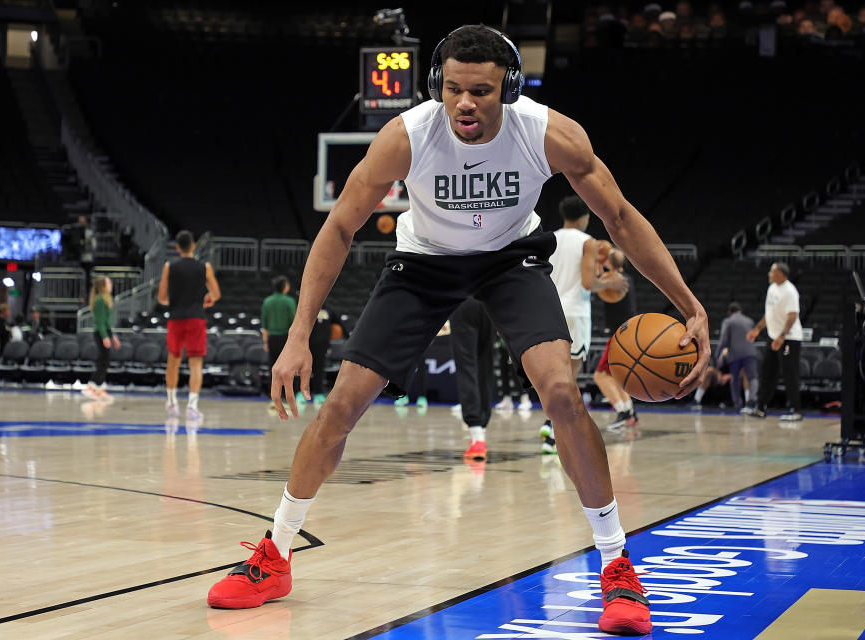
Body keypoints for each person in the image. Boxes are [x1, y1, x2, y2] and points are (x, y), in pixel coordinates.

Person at [207, 25, 709, 637]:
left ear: (510, 91)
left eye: (481, 90)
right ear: (435, 87)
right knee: (341, 404)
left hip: (510, 257)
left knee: (561, 393)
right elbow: (339, 226)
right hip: (422, 263)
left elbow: (622, 219)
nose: (465, 103)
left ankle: (617, 567)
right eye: (452, 89)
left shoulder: (549, 134)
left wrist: (689, 304)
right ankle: (276, 554)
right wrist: (297, 337)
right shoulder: (407, 136)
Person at [539, 193, 628, 453]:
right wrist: (610, 282)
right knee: (570, 376)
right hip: (576, 312)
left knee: (556, 374)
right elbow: (589, 283)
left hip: (551, 310)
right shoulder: (588, 242)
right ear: (584, 218)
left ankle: (552, 425)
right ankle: (554, 427)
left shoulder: (550, 238)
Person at [157, 230, 221, 420]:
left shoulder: (169, 266)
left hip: (176, 318)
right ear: (193, 246)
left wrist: (176, 301)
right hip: (196, 318)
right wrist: (207, 299)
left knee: (173, 362)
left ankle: (171, 402)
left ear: (177, 248)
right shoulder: (205, 267)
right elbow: (216, 294)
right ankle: (192, 406)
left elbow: (161, 298)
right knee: (195, 365)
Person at [747, 262, 803, 422]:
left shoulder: (790, 291)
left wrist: (782, 337)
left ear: (780, 273)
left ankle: (796, 410)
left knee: (789, 374)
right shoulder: (772, 288)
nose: (769, 274)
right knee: (767, 372)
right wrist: (757, 329)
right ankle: (761, 408)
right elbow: (769, 313)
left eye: (772, 271)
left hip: (789, 338)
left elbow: (793, 316)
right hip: (773, 337)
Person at [592, 249, 641, 431]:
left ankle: (623, 413)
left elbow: (592, 282)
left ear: (610, 263)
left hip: (618, 335)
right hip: (629, 333)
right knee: (615, 377)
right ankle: (630, 413)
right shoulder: (627, 278)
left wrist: (597, 262)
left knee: (600, 376)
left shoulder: (612, 280)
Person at [450, 297, 496, 460]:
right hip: (488, 302)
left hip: (463, 300)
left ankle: (477, 436)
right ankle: (480, 431)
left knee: (467, 365)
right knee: (485, 364)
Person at [716, 301, 758, 413]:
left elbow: (723, 340)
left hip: (735, 354)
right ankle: (752, 402)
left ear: (730, 313)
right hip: (750, 353)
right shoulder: (750, 321)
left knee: (735, 380)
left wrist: (717, 354)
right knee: (752, 378)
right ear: (741, 311)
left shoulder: (728, 321)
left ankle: (738, 405)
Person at [83, 276, 120, 401]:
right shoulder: (99, 300)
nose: (111, 284)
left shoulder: (106, 299)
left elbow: (107, 322)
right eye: (108, 282)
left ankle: (100, 388)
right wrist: (105, 337)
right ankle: (91, 386)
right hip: (100, 333)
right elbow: (99, 322)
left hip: (105, 331)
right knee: (103, 360)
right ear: (103, 286)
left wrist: (112, 336)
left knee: (105, 360)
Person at [261, 276, 296, 370]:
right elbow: (293, 322)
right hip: (285, 337)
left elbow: (264, 325)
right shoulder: (290, 301)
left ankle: (272, 385)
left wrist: (265, 342)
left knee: (272, 367)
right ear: (285, 286)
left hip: (272, 338)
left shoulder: (267, 301)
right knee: (287, 367)